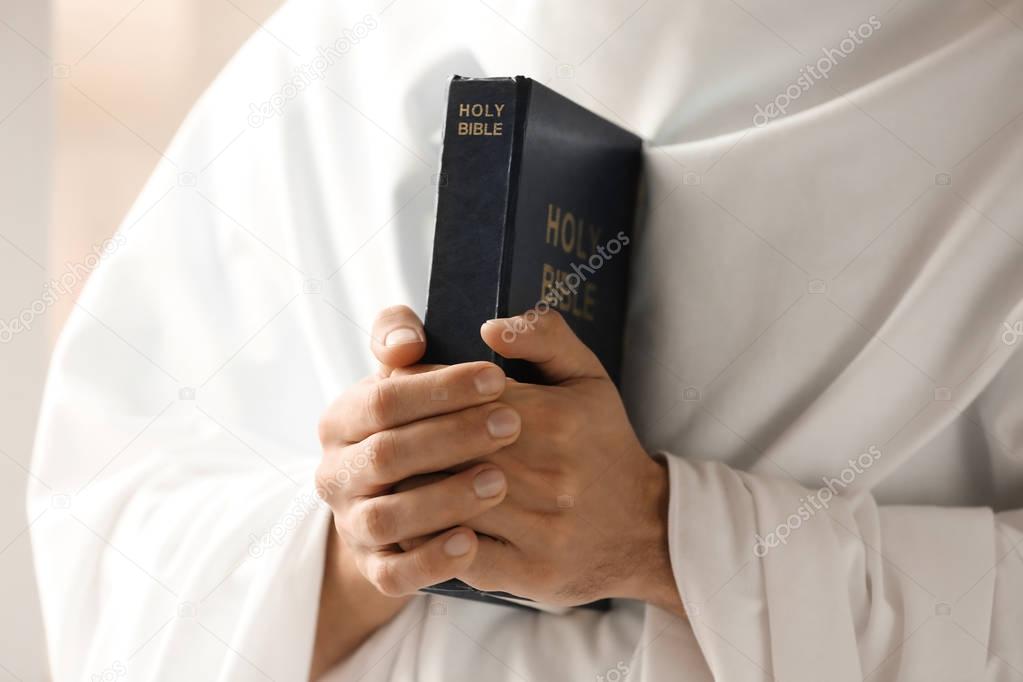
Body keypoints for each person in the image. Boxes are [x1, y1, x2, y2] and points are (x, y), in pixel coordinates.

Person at [29, 1, 1023, 680]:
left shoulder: (990, 83)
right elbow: (110, 512)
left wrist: (664, 535)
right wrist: (359, 539)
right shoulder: (331, 52)